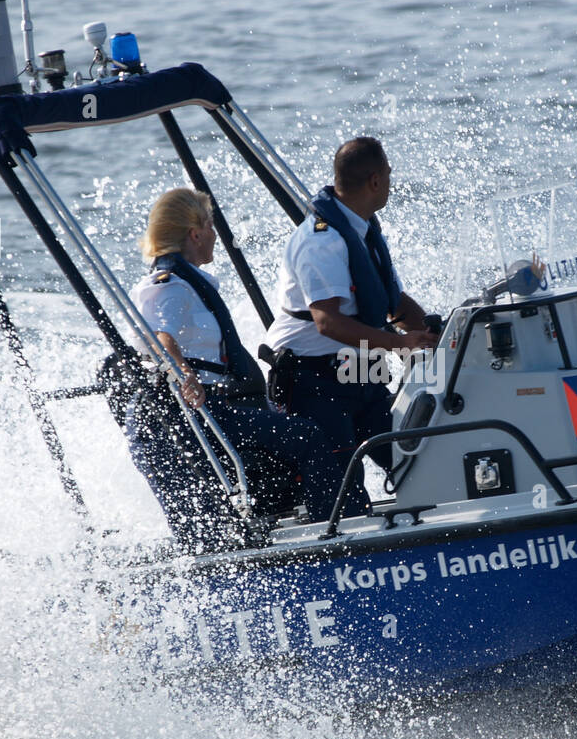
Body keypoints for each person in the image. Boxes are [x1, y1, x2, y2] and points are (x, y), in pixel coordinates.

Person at [124, 188, 345, 536]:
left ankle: (322, 523)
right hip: (178, 415)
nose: (215, 235)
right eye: (211, 227)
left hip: (207, 408)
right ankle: (330, 537)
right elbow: (159, 338)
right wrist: (185, 375)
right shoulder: (168, 286)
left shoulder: (186, 283)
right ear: (195, 234)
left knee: (304, 431)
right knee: (307, 437)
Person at [265, 137, 437, 509]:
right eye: (389, 174)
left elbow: (392, 301)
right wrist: (402, 345)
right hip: (314, 376)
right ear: (375, 181)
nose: (391, 182)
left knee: (418, 456)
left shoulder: (362, 231)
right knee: (342, 493)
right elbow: (328, 323)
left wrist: (438, 336)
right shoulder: (321, 242)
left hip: (360, 367)